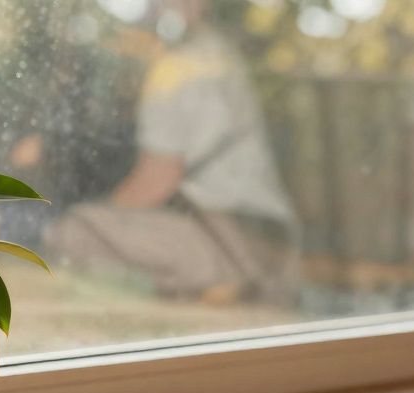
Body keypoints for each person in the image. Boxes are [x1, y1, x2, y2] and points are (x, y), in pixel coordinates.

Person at [43, 0, 298, 305]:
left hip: (226, 242)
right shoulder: (219, 54)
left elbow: (158, 179)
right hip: (273, 239)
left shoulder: (173, 72)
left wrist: (102, 215)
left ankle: (213, 281)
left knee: (73, 231)